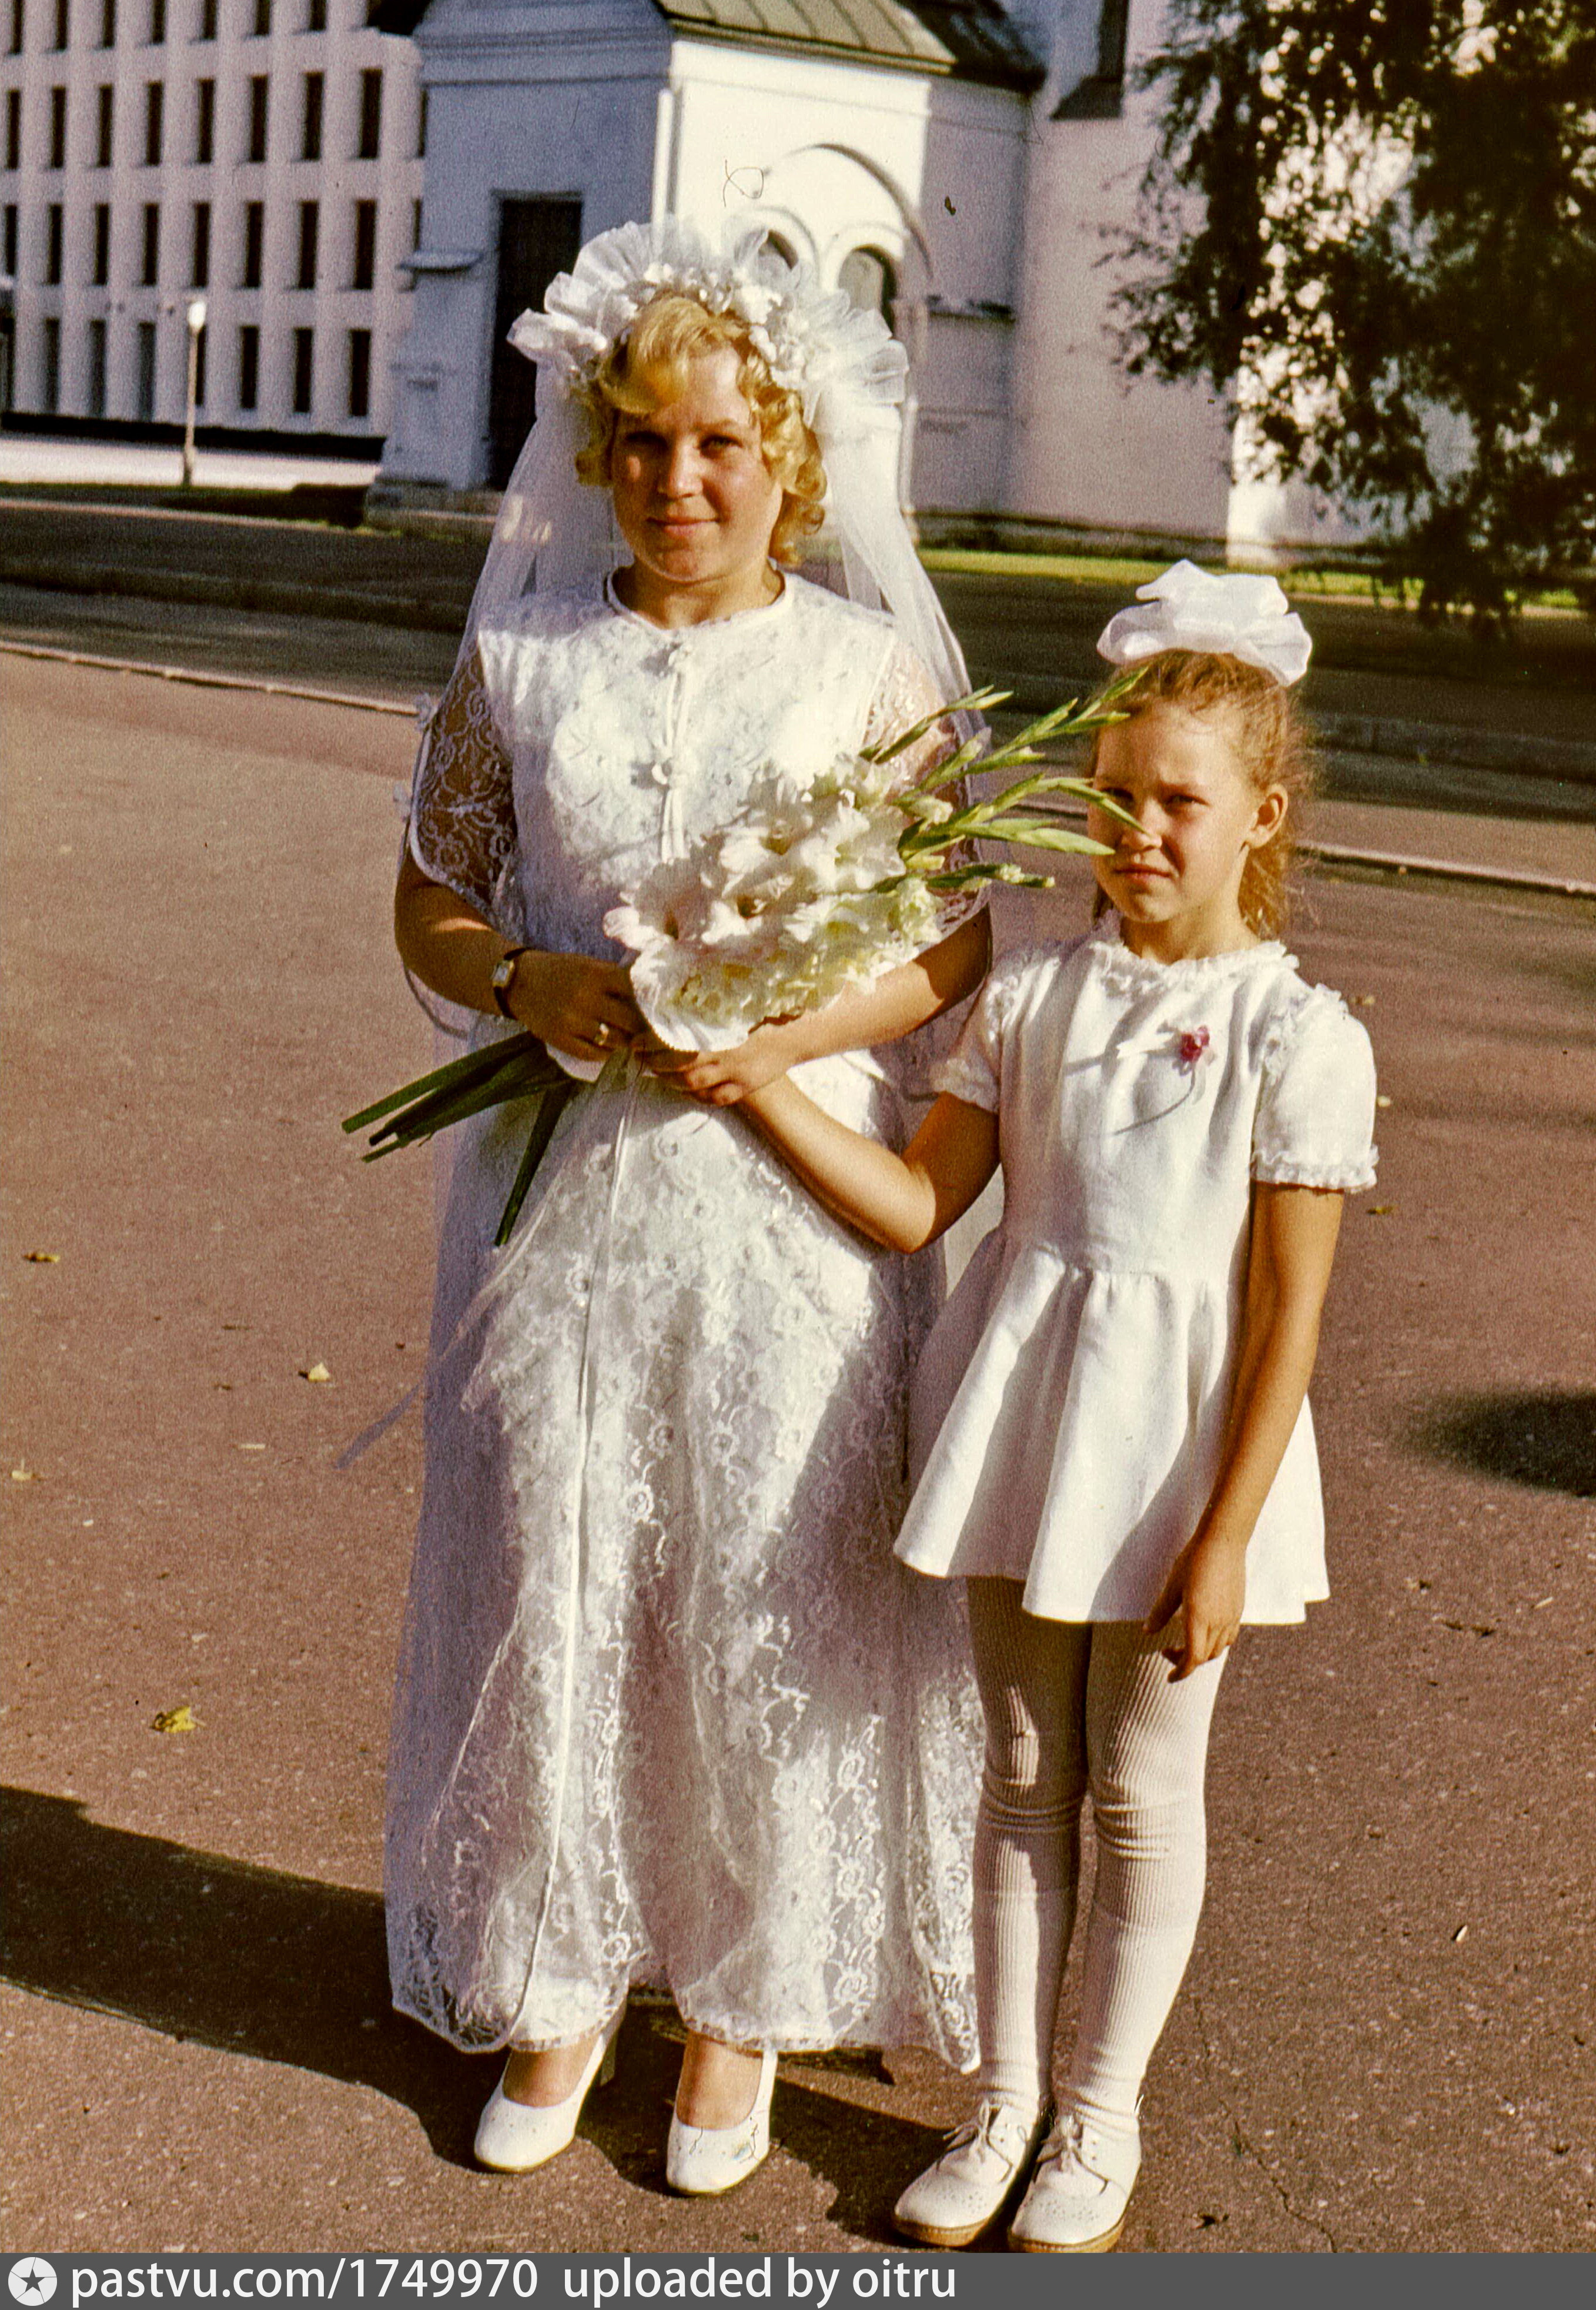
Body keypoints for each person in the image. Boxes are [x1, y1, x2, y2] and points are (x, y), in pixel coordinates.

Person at [383, 222, 989, 2197]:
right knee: (555, 1562)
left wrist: (768, 1036)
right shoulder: (521, 662)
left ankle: (744, 1993)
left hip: (774, 1199)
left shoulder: (862, 673)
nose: (678, 478)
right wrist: (521, 980)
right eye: (642, 440)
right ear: (596, 452)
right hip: (559, 1190)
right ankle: (557, 1968)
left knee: (756, 1580)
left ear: (788, 457)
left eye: (721, 441)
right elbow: (430, 898)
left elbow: (950, 947)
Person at [713, 563, 1378, 2249]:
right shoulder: (1028, 999)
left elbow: (1288, 1314)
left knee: (1142, 1790)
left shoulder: (1294, 1035)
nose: (1136, 831)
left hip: (1180, 1454)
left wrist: (1226, 1535)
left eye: (1178, 802)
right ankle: (1003, 2102)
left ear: (1259, 817)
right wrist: (759, 1075)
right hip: (1027, 1421)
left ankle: (1099, 2117)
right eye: (1113, 795)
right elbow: (915, 1207)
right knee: (1020, 1769)